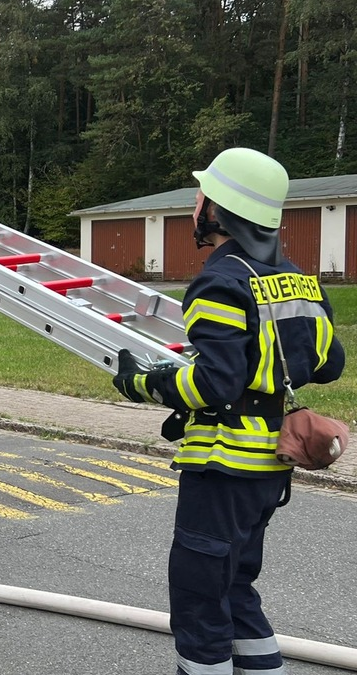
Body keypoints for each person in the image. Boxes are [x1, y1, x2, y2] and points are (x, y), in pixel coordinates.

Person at [111, 147, 345, 675]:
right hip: (268, 472)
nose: (195, 205)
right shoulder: (299, 280)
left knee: (198, 597)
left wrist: (145, 382)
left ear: (217, 211)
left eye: (202, 196)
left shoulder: (221, 281)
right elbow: (329, 364)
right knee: (235, 583)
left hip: (223, 468)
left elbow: (213, 382)